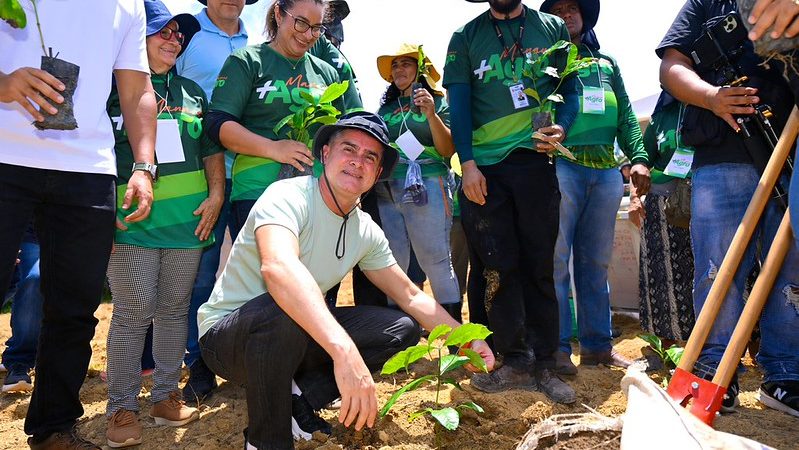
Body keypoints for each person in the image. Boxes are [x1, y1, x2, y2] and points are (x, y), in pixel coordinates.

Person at [196, 112, 495, 450]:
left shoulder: (364, 230)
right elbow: (278, 268)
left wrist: (466, 340)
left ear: (378, 173)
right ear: (325, 154)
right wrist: (344, 350)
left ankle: (299, 401)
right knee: (283, 306)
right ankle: (266, 443)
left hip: (293, 336)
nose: (357, 162)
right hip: (229, 339)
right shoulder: (288, 196)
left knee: (401, 328)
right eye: (349, 149)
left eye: (370, 157)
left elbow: (411, 296)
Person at [0, 0, 156, 447]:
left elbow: (137, 89)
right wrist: (4, 84)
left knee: (74, 310)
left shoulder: (130, 4)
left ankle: (53, 427)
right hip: (4, 157)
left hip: (88, 169)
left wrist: (144, 166)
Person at [659, 0, 799, 416]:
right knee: (717, 268)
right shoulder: (706, 3)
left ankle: (785, 374)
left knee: (790, 268)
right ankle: (713, 370)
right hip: (722, 154)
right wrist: (712, 97)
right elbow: (672, 65)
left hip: (790, 152)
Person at [443, 0, 579, 403]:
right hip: (485, 171)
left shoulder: (552, 29)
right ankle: (515, 360)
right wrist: (468, 164)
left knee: (540, 266)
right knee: (497, 269)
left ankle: (545, 363)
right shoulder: (465, 37)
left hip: (536, 162)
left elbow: (570, 90)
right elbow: (459, 107)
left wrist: (563, 127)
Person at [103, 1, 225, 447]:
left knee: (175, 310)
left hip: (187, 225)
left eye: (179, 33)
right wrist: (102, 211)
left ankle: (165, 396)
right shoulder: (111, 87)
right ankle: (121, 407)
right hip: (131, 222)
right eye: (163, 31)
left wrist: (216, 195)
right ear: (138, 37)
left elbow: (211, 150)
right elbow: (96, 149)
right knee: (134, 311)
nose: (174, 39)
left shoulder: (192, 91)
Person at [540, 0, 651, 375]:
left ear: (584, 16)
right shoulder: (547, 64)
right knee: (556, 261)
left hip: (605, 172)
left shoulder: (607, 63)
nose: (567, 14)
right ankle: (557, 349)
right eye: (558, 10)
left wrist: (638, 156)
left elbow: (626, 115)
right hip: (562, 167)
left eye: (572, 8)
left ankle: (597, 347)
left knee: (595, 263)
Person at [205, 0, 362, 238]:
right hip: (257, 191)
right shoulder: (247, 61)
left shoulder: (328, 73)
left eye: (317, 28)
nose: (308, 35)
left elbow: (345, 134)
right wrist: (274, 149)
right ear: (279, 14)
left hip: (319, 194)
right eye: (301, 23)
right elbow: (218, 124)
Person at [175, 0, 259, 403]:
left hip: (246, 175)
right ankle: (199, 364)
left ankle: (250, 358)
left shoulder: (253, 42)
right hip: (195, 175)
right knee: (199, 275)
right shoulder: (186, 34)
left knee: (254, 271)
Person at [373, 43, 461, 317]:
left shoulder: (438, 103)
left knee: (435, 259)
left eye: (406, 64)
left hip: (427, 184)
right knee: (393, 263)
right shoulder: (385, 109)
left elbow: (447, 149)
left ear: (420, 70)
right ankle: (402, 333)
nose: (399, 69)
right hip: (386, 188)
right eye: (395, 65)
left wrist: (431, 114)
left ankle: (456, 335)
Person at [629, 92, 696, 350]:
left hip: (704, 195)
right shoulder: (660, 117)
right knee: (663, 271)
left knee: (705, 269)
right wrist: (635, 198)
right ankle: (669, 344)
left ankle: (717, 344)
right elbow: (642, 160)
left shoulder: (707, 107)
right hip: (663, 203)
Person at [1, 225, 43, 394]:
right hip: (16, 227)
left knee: (34, 278)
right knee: (16, 279)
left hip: (53, 232)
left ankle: (19, 361)